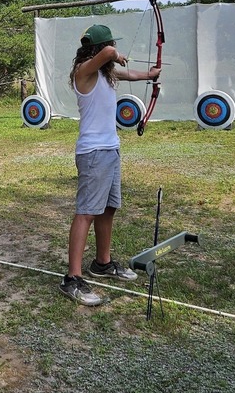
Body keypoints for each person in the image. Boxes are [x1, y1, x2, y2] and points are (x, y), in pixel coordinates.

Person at [59, 24, 161, 306]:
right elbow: (109, 53)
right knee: (86, 212)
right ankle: (72, 279)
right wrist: (115, 53)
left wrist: (149, 75)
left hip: (110, 149)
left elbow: (127, 73)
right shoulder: (85, 71)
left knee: (108, 207)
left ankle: (102, 263)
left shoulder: (105, 72)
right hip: (92, 153)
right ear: (99, 48)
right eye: (110, 45)